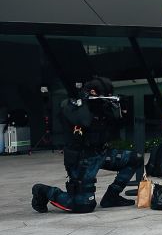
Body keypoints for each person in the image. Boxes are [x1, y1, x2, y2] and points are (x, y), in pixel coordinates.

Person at [31, 76, 141, 213]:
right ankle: (43, 191)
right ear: (93, 92)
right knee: (83, 206)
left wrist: (121, 110)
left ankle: (112, 196)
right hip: (82, 159)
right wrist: (88, 102)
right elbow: (83, 121)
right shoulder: (72, 105)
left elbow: (116, 127)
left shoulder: (102, 106)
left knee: (135, 158)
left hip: (101, 153)